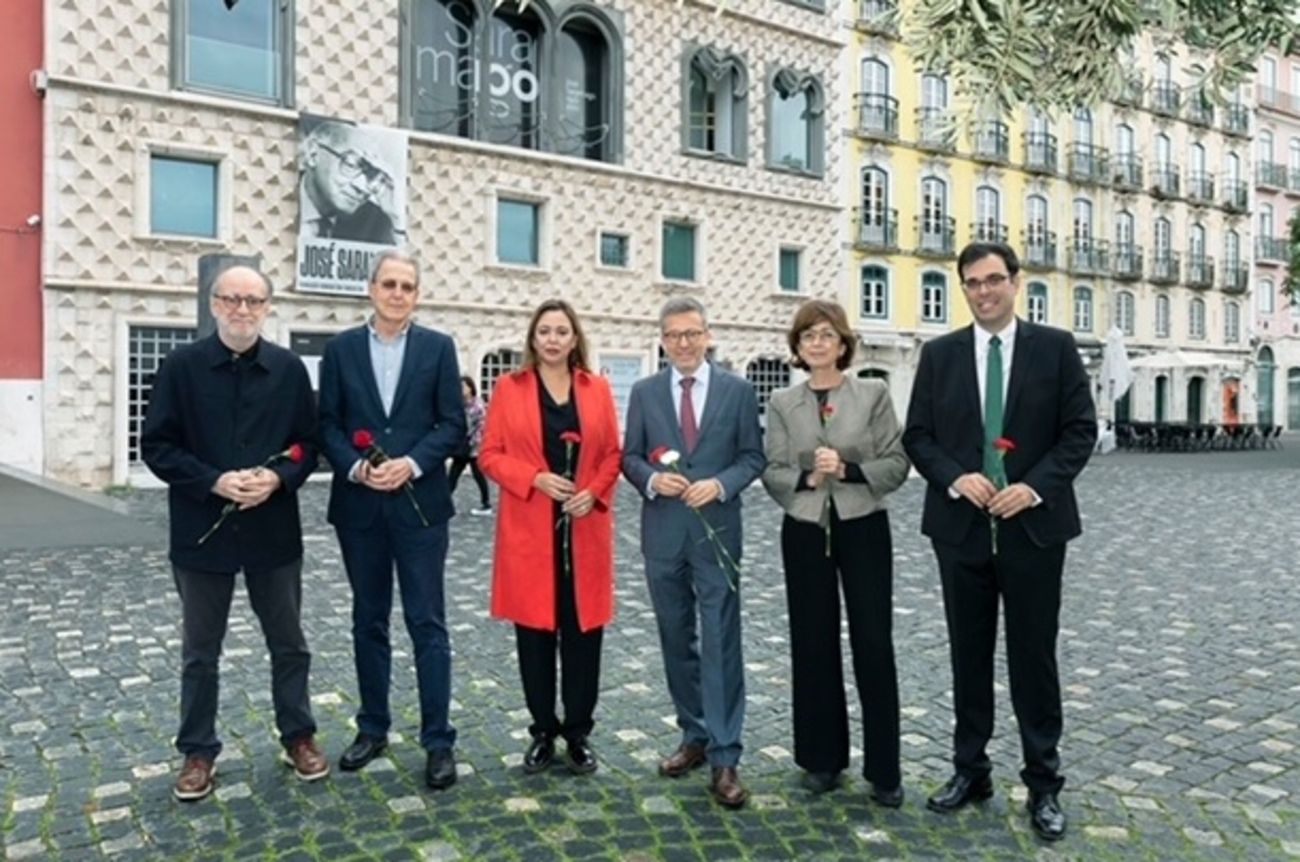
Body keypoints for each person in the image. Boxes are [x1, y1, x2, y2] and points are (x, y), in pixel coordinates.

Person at [902, 242, 1096, 841]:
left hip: (1033, 529)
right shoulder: (938, 355)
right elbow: (919, 436)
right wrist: (956, 477)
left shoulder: (1056, 349)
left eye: (993, 280)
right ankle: (971, 769)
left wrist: (1033, 488)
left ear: (1016, 282)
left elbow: (1078, 431)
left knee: (1033, 657)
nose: (983, 292)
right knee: (968, 652)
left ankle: (1043, 783)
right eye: (971, 283)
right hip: (961, 528)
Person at [141, 265, 327, 801]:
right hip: (202, 532)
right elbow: (157, 446)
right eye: (232, 299)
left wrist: (278, 477)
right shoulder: (180, 367)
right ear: (214, 304)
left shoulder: (289, 370)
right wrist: (214, 481)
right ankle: (198, 751)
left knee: (289, 643)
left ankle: (299, 735)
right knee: (201, 652)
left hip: (273, 530)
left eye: (254, 300)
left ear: (268, 307)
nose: (243, 310)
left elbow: (309, 445)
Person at [318, 250, 466, 789]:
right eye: (389, 283)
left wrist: (413, 462)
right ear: (371, 288)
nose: (398, 293)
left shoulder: (437, 348)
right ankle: (373, 727)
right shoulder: (340, 350)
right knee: (368, 619)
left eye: (407, 285)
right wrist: (358, 468)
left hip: (420, 507)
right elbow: (327, 425)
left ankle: (438, 740)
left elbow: (453, 425)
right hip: (360, 508)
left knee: (428, 623)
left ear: (417, 294)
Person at [760, 300, 910, 805]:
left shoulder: (872, 393)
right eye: (808, 337)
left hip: (863, 523)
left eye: (826, 335)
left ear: (843, 343)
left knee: (873, 640)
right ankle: (821, 759)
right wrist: (809, 473)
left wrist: (846, 470)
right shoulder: (783, 402)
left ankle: (884, 769)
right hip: (805, 528)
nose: (818, 344)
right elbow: (773, 472)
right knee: (812, 641)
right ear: (798, 348)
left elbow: (896, 461)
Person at [621, 297, 765, 809]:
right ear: (661, 339)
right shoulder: (643, 393)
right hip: (663, 534)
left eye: (692, 333)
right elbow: (630, 457)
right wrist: (653, 478)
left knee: (722, 639)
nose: (683, 342)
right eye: (674, 334)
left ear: (708, 335)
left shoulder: (738, 391)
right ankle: (694, 734)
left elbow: (753, 456)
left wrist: (722, 486)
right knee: (675, 636)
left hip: (717, 533)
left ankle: (727, 755)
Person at [478, 299, 623, 775]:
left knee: (584, 637)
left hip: (584, 530)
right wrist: (534, 478)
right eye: (545, 331)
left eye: (563, 331)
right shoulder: (509, 388)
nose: (554, 339)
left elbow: (611, 454)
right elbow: (491, 455)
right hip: (530, 531)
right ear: (533, 339)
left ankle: (578, 732)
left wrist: (594, 492)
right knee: (536, 638)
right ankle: (543, 730)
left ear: (575, 337)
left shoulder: (597, 389)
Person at [300, 119, 399, 244]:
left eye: (371, 175)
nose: (362, 187)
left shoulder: (376, 222)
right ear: (313, 154)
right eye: (351, 165)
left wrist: (396, 219)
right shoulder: (281, 196)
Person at [447, 375, 492, 516]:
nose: (461, 389)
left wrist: (473, 442)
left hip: (473, 447)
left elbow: (482, 426)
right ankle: (444, 503)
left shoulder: (477, 405)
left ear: (471, 388)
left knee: (478, 475)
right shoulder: (459, 405)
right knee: (453, 475)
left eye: (464, 386)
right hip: (462, 446)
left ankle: (486, 504)